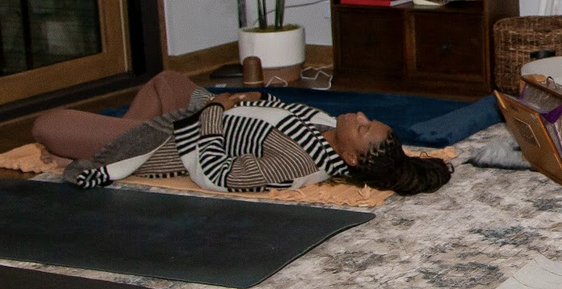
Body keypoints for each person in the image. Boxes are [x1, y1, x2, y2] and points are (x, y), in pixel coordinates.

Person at [35, 70, 450, 196]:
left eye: (360, 126)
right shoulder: (327, 128)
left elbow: (215, 175)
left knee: (46, 125)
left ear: (352, 159)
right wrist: (252, 98)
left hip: (177, 143)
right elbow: (279, 113)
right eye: (365, 118)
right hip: (202, 116)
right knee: (166, 82)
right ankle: (116, 146)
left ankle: (116, 153)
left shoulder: (296, 164)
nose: (356, 114)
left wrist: (215, 111)